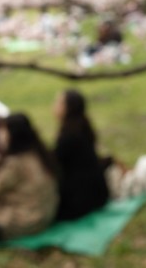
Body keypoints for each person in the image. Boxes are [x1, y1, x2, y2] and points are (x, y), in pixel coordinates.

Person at [0, 113, 59, 240]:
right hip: (46, 215)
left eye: (2, 131)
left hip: (27, 222)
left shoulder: (15, 164)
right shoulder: (38, 153)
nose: (0, 135)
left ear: (12, 134)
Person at [52, 89, 110, 221]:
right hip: (99, 193)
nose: (54, 106)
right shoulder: (82, 127)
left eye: (58, 102)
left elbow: (55, 165)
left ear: (68, 108)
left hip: (81, 201)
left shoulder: (69, 136)